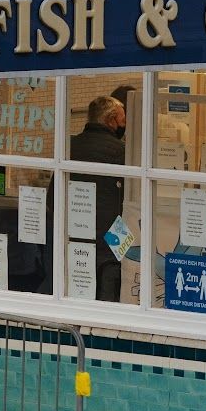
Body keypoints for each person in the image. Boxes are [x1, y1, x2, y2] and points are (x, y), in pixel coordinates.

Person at [69, 94, 127, 301]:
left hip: (73, 240)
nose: (124, 125)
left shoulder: (70, 147)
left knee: (75, 293)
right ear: (111, 120)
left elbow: (52, 200)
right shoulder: (123, 152)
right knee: (107, 298)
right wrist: (122, 244)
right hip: (110, 243)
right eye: (122, 120)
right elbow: (130, 203)